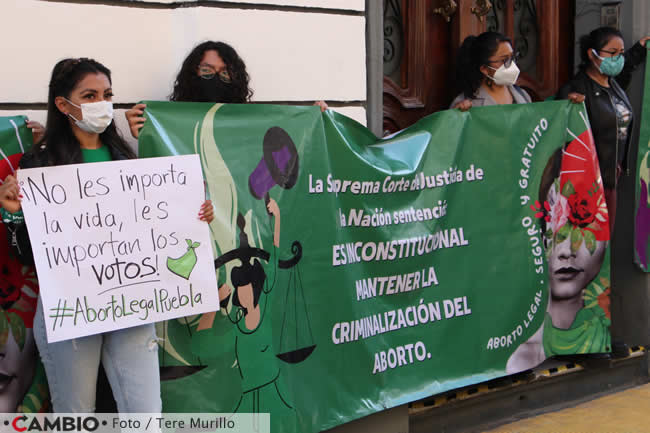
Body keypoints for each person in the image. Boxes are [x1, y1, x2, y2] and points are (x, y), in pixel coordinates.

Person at [0, 57, 214, 413]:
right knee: (76, 414)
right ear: (63, 104)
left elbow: (156, 227)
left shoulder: (125, 160)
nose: (102, 102)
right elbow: (26, 254)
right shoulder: (39, 165)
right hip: (69, 312)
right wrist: (13, 216)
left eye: (107, 93)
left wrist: (194, 216)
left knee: (145, 413)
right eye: (90, 94)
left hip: (130, 307)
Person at [507, 141, 610, 373]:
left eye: (581, 225)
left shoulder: (603, 330)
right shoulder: (520, 358)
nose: (565, 251)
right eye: (552, 228)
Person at [126, 41, 328, 139]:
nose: (215, 78)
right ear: (192, 74)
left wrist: (311, 118)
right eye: (207, 71)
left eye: (225, 73)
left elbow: (284, 143)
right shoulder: (169, 123)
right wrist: (144, 134)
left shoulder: (250, 120)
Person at [557, 27, 650, 232]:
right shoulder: (576, 89)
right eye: (612, 53)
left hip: (610, 180)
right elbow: (559, 133)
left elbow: (627, 69)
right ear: (592, 54)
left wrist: (640, 48)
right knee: (585, 246)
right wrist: (568, 105)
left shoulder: (614, 84)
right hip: (584, 185)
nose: (618, 58)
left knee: (603, 242)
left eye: (621, 53)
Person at [450, 31, 532, 110]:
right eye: (504, 60)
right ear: (484, 69)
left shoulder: (522, 95)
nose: (512, 64)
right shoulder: (465, 105)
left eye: (512, 58)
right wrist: (457, 115)